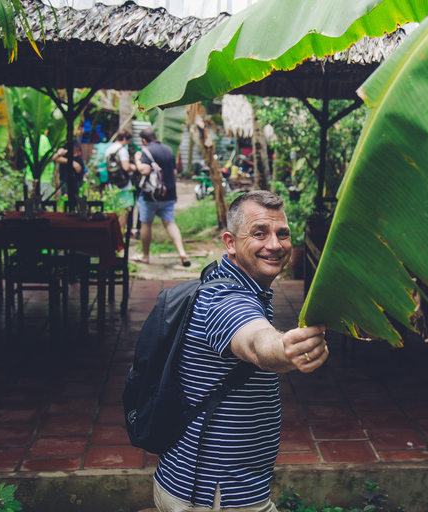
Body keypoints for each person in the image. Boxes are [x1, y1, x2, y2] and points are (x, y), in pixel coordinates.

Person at [152, 190, 329, 512]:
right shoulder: (226, 299)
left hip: (195, 480)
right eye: (259, 233)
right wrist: (285, 348)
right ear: (230, 242)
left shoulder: (227, 280)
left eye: (282, 234)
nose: (274, 245)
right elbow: (255, 342)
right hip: (216, 493)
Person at [132, 127, 190, 266]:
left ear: (144, 140)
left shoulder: (146, 151)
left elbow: (144, 170)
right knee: (170, 223)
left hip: (151, 195)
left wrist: (137, 160)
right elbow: (174, 172)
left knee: (146, 224)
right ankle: (182, 253)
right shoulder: (169, 150)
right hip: (169, 193)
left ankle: (145, 256)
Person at [104, 129, 137, 230]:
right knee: (124, 211)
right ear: (123, 138)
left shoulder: (109, 149)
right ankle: (120, 235)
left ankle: (114, 235)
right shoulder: (122, 150)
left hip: (112, 183)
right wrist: (134, 167)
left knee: (115, 210)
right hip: (124, 184)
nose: (127, 143)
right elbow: (126, 167)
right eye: (127, 141)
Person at [23, 134, 55, 200]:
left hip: (30, 177)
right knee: (42, 205)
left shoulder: (28, 138)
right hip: (42, 179)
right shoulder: (42, 138)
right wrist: (58, 154)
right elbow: (43, 159)